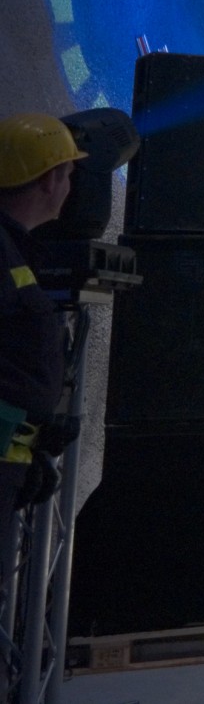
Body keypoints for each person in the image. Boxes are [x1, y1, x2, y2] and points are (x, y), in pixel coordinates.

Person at [0, 114, 86, 519]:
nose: (69, 187)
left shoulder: (16, 252)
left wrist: (31, 437)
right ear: (50, 179)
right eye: (69, 173)